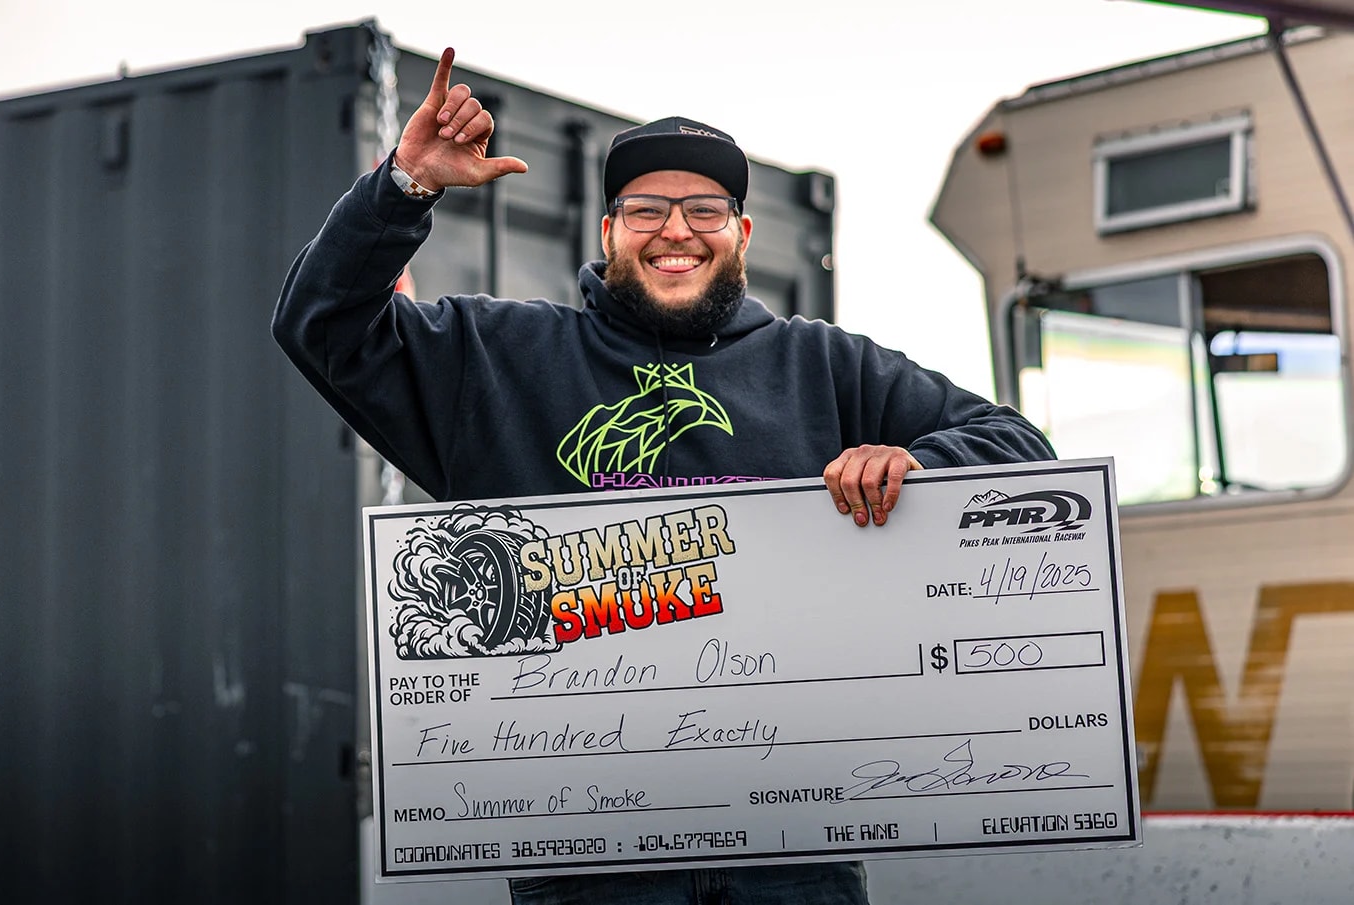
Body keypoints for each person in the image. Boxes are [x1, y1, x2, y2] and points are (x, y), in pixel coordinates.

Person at [273, 47, 1054, 905]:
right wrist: (404, 185)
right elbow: (322, 326)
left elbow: (1019, 447)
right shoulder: (496, 356)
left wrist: (916, 463)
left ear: (742, 235)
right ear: (608, 231)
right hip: (590, 870)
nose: (675, 230)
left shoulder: (825, 365)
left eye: (704, 209)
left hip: (795, 862)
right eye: (645, 209)